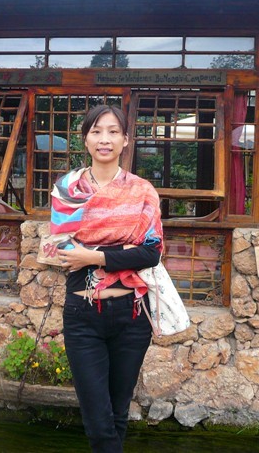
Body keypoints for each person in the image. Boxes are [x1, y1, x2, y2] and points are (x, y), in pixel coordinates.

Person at [51, 104, 163, 453]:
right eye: (97, 131)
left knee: (117, 414)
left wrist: (93, 255)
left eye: (113, 131)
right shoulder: (67, 189)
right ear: (85, 139)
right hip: (83, 316)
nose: (105, 139)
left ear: (126, 140)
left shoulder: (143, 191)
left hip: (132, 316)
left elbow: (151, 253)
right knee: (98, 423)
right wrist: (122, 248)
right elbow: (63, 249)